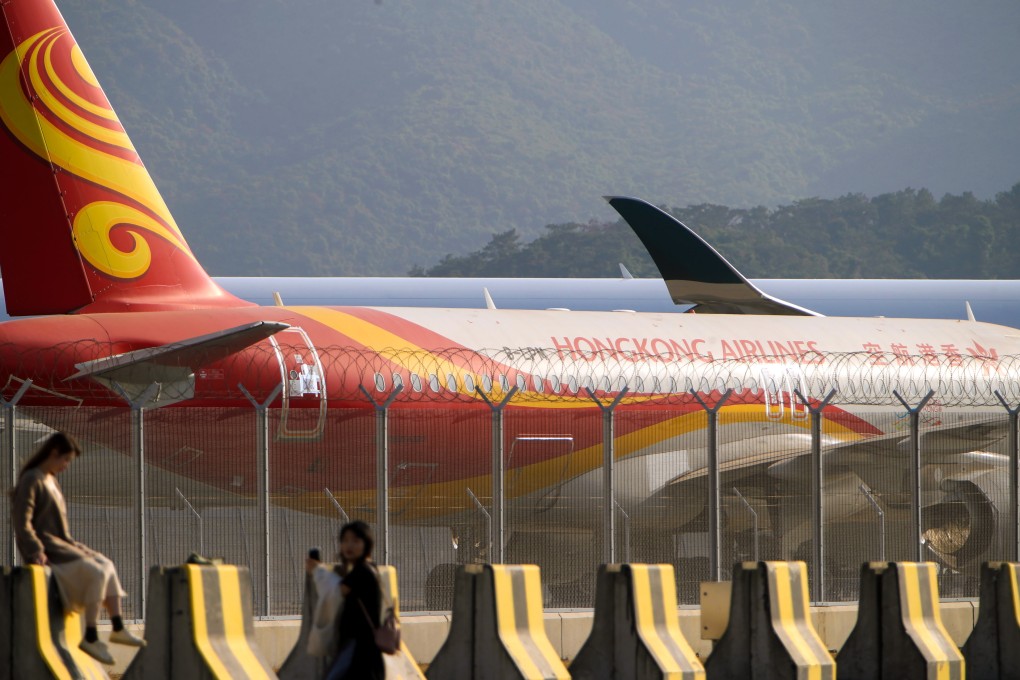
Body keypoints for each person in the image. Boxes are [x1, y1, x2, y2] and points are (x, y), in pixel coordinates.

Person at [10, 432, 145, 664]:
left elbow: (62, 531)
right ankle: (91, 635)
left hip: (63, 545)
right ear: (54, 453)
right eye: (65, 460)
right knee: (97, 572)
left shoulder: (51, 480)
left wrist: (83, 549)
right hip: (49, 551)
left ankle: (117, 626)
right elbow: (23, 522)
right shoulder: (32, 479)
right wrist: (35, 551)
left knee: (107, 564)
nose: (66, 466)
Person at [307, 520, 384, 680]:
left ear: (366, 544)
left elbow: (335, 592)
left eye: (356, 541)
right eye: (345, 540)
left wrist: (318, 571)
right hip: (364, 647)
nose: (349, 545)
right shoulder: (368, 568)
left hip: (359, 646)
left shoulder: (361, 571)